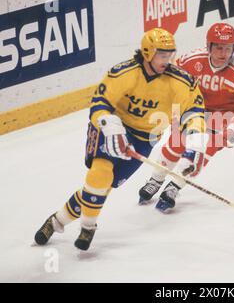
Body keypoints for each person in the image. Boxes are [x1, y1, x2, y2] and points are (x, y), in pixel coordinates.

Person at [34, 28, 208, 251]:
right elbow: (99, 103)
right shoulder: (123, 73)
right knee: (100, 175)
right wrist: (109, 125)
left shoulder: (180, 81)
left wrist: (194, 144)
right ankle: (88, 226)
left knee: (101, 189)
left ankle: (56, 221)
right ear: (147, 53)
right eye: (162, 55)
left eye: (170, 55)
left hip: (145, 140)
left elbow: (194, 112)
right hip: (114, 128)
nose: (168, 60)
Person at [139, 22, 234, 212]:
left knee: (203, 150)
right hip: (196, 108)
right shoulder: (190, 61)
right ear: (209, 46)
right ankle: (156, 178)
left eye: (228, 48)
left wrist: (233, 129)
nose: (224, 53)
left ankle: (175, 186)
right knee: (177, 142)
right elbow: (172, 85)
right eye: (219, 48)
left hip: (226, 115)